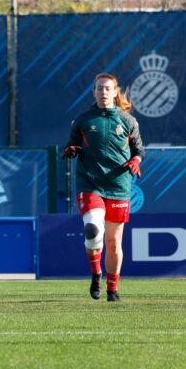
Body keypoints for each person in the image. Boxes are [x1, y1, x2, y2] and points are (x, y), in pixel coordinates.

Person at [62, 73, 144, 302]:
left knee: (113, 242)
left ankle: (112, 289)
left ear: (115, 91)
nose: (103, 92)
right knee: (92, 229)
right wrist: (72, 149)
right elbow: (72, 144)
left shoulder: (128, 121)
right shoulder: (83, 120)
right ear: (94, 92)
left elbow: (139, 150)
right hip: (91, 183)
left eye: (108, 88)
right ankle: (96, 273)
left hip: (118, 186)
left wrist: (136, 161)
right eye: (99, 88)